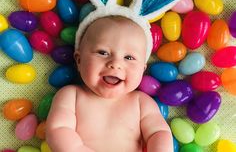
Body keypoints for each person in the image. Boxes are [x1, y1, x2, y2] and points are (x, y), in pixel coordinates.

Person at [46, 15, 173, 152]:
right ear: (79, 60)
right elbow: (57, 130)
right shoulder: (71, 95)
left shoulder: (141, 102)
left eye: (129, 57)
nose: (115, 63)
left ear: (142, 69)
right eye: (103, 52)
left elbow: (159, 133)